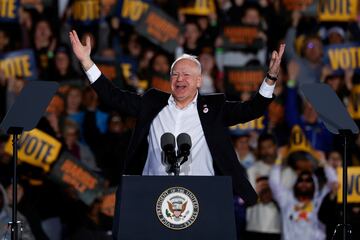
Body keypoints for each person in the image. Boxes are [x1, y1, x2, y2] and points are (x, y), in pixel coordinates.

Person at [69, 29, 285, 233]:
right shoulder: (152, 102)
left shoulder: (215, 108)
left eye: (187, 75)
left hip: (203, 199)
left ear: (199, 81)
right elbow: (113, 96)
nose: (180, 79)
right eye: (175, 74)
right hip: (152, 197)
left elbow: (253, 108)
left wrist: (271, 78)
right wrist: (86, 62)